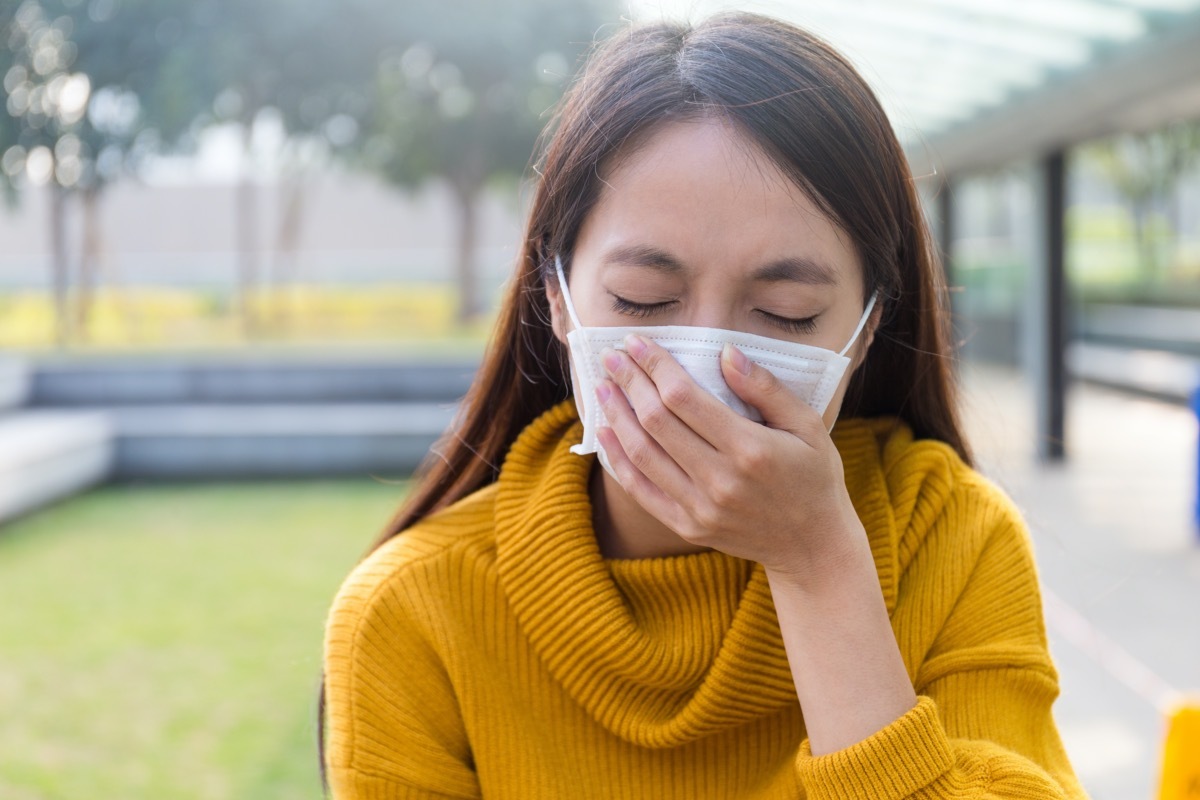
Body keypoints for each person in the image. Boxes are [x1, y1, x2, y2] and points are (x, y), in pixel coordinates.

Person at [321, 11, 1089, 799]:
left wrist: (820, 565)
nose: (705, 369)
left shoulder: (952, 540)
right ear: (556, 296)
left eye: (787, 312)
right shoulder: (414, 611)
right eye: (643, 298)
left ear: (864, 332)